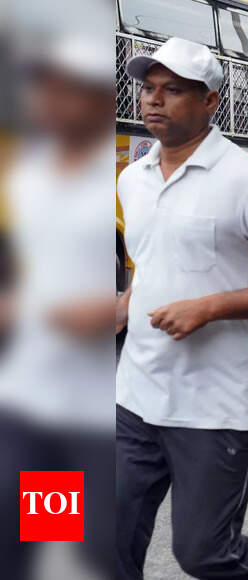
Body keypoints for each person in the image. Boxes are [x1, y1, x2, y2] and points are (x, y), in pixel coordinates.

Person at [115, 38, 248, 580]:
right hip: (134, 395)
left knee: (205, 554)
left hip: (211, 405)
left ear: (211, 101)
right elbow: (154, 267)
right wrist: (124, 305)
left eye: (174, 90)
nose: (154, 100)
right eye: (149, 88)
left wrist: (210, 307)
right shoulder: (131, 180)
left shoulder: (247, 181)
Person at [1, 34, 117, 579]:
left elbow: (137, 281)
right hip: (27, 393)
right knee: (28, 540)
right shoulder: (24, 179)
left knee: (85, 548)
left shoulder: (118, 188)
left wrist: (111, 308)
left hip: (82, 405)